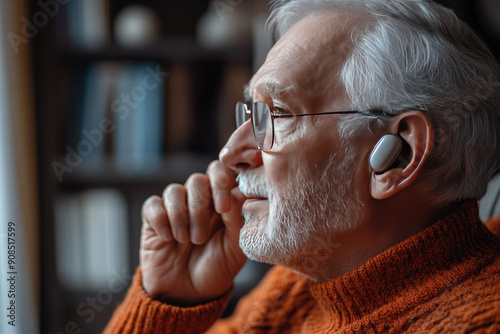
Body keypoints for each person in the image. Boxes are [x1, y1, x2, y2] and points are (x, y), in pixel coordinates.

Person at [104, 0, 500, 332]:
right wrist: (171, 301)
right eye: (253, 113)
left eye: (278, 114)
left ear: (397, 155)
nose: (230, 153)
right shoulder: (300, 286)